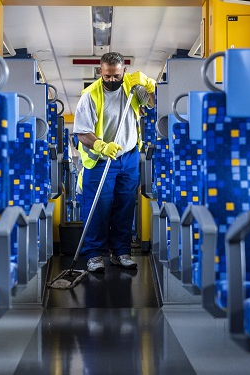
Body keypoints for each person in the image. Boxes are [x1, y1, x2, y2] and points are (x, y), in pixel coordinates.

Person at [73, 51, 156, 273]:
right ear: (101, 71)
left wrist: (150, 85)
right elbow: (82, 133)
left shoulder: (132, 86)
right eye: (107, 76)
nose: (112, 80)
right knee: (98, 208)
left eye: (116, 76)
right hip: (100, 160)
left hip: (128, 157)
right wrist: (101, 146)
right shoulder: (90, 96)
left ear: (124, 72)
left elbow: (152, 104)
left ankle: (121, 252)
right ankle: (94, 255)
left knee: (125, 205)